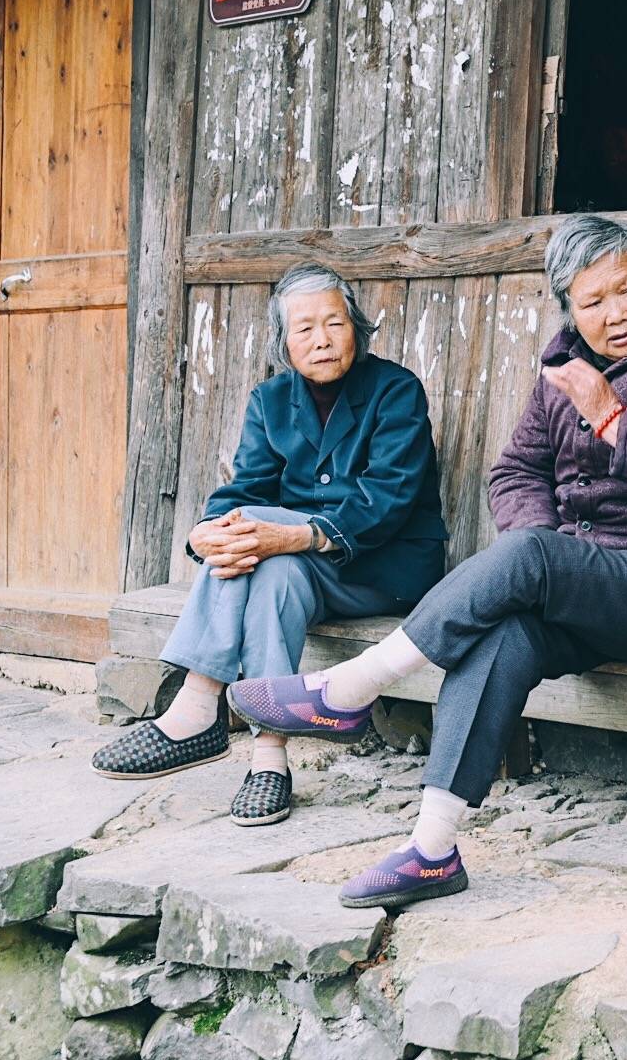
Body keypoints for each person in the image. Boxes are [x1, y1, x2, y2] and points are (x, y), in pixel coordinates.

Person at [230, 214, 627, 908]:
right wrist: (550, 556)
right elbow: (516, 470)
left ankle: (350, 688)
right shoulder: (564, 360)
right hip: (592, 583)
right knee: (506, 629)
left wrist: (615, 421)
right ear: (568, 308)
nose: (614, 314)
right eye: (592, 303)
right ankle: (432, 848)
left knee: (531, 557)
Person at [91, 266, 447, 827]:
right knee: (268, 566)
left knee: (256, 533)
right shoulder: (272, 399)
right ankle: (269, 758)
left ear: (357, 328)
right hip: (299, 571)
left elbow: (388, 500)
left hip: (383, 567)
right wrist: (203, 533)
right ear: (284, 342)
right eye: (304, 329)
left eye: (335, 322)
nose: (322, 339)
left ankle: (197, 705)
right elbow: (246, 488)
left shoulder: (396, 391)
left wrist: (290, 534)